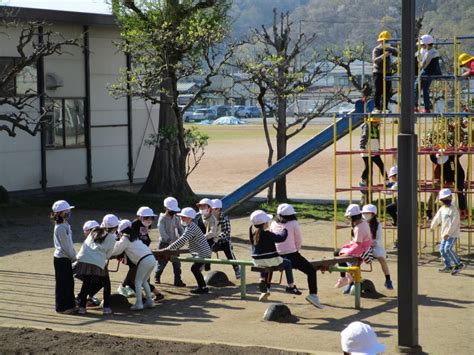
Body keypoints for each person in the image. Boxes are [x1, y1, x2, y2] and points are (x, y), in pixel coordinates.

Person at [269, 203, 323, 308]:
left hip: (277, 256)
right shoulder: (293, 223)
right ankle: (313, 295)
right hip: (291, 255)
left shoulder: (273, 223)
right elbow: (298, 240)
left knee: (301, 265)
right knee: (311, 270)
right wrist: (296, 252)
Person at [249, 210, 305, 303]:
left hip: (257, 260)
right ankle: (291, 286)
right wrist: (285, 230)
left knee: (266, 265)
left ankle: (262, 280)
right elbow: (281, 238)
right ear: (264, 224)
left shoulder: (253, 234)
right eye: (267, 221)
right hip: (270, 258)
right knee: (287, 263)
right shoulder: (267, 234)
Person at [75, 214, 118, 315]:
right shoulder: (111, 238)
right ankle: (106, 308)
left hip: (83, 258)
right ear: (115, 227)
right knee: (106, 283)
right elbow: (108, 255)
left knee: (86, 282)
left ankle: (82, 307)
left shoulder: (94, 230)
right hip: (97, 261)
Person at [118, 207, 164, 301]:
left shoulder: (146, 225)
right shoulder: (134, 225)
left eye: (151, 218)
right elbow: (129, 241)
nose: (150, 220)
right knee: (137, 279)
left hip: (141, 255)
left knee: (137, 280)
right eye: (147, 218)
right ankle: (150, 296)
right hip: (135, 255)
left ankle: (147, 297)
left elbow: (145, 239)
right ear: (140, 217)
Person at [163, 207, 212, 294]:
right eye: (181, 217)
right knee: (195, 268)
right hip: (202, 252)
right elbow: (183, 241)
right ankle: (202, 287)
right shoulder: (190, 226)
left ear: (189, 218)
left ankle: (203, 287)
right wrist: (174, 248)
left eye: (183, 217)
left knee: (194, 268)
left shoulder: (191, 228)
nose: (181, 218)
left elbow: (182, 240)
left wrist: (168, 248)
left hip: (202, 253)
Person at [112, 219, 156, 310]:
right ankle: (150, 302)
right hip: (151, 258)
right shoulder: (135, 236)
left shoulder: (125, 238)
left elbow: (117, 250)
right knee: (144, 281)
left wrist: (108, 251)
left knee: (138, 282)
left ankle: (139, 303)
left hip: (143, 260)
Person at [335, 204, 372, 289]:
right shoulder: (362, 221)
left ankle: (345, 278)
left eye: (349, 217)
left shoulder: (359, 228)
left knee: (339, 254)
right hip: (363, 247)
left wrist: (346, 253)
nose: (348, 218)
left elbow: (358, 246)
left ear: (353, 217)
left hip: (362, 250)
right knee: (340, 253)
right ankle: (347, 279)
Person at [51, 200, 77, 314]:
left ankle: (69, 305)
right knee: (63, 283)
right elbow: (66, 246)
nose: (69, 212)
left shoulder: (65, 224)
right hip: (62, 258)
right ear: (60, 213)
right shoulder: (61, 227)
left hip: (64, 257)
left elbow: (69, 244)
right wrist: (74, 257)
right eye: (66, 210)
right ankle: (62, 307)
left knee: (68, 282)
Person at [430, 189, 465, 275]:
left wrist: (448, 233)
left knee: (447, 249)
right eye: (444, 199)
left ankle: (458, 264)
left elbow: (455, 223)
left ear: (451, 197)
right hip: (444, 233)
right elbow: (437, 218)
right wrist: (432, 226)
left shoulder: (454, 210)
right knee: (442, 250)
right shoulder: (442, 209)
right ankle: (448, 266)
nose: (446, 200)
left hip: (452, 234)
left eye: (448, 198)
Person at [154, 197, 186, 287]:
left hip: (175, 244)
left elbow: (180, 228)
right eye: (172, 210)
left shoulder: (176, 218)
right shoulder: (162, 219)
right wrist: (169, 240)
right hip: (164, 244)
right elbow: (162, 232)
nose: (173, 212)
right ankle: (157, 276)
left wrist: (183, 236)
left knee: (177, 263)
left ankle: (177, 280)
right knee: (161, 263)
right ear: (166, 208)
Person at [362, 204, 393, 290]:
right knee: (356, 259)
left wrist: (371, 243)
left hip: (375, 247)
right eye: (364, 213)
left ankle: (388, 280)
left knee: (382, 259)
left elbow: (378, 239)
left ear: (373, 214)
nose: (365, 215)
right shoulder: (361, 224)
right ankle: (351, 281)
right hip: (363, 247)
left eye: (368, 213)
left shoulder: (377, 225)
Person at [210, 198, 241, 279]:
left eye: (212, 209)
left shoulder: (224, 218)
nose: (210, 210)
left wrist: (218, 237)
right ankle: (204, 264)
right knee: (205, 248)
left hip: (224, 240)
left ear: (218, 209)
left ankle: (236, 268)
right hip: (212, 239)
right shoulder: (209, 218)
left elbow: (227, 231)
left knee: (229, 252)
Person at [359, 116, 387, 197]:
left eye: (378, 122)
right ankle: (363, 181)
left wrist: (378, 148)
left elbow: (376, 139)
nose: (378, 123)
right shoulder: (367, 126)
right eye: (376, 122)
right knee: (368, 167)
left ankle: (386, 180)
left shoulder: (376, 128)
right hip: (366, 149)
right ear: (372, 122)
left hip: (374, 149)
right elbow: (364, 136)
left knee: (381, 164)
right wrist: (362, 147)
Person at [414, 34, 442, 113]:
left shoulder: (429, 53)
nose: (422, 46)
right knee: (425, 90)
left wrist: (419, 60)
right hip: (431, 74)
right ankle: (427, 108)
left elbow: (423, 64)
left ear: (426, 44)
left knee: (416, 87)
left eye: (422, 44)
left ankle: (414, 106)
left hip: (426, 72)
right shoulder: (434, 51)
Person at [372, 30, 398, 112]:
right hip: (378, 72)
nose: (386, 42)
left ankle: (385, 107)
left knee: (387, 91)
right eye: (385, 41)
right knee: (378, 91)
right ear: (381, 41)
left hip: (388, 72)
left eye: (387, 41)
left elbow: (398, 53)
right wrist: (384, 55)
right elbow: (375, 60)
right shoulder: (377, 50)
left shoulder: (390, 49)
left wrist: (393, 48)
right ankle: (377, 107)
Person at [195, 198, 218, 271]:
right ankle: (200, 264)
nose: (201, 208)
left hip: (209, 240)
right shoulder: (199, 218)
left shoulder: (212, 219)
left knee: (206, 249)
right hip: (200, 239)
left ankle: (206, 265)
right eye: (200, 207)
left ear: (210, 208)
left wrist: (202, 237)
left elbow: (212, 233)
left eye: (204, 207)